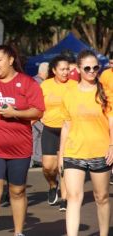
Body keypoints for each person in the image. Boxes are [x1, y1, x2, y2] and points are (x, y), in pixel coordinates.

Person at [0, 45, 44, 236]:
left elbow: (38, 110)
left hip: (19, 147)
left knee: (17, 191)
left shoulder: (27, 83)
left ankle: (18, 232)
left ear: (11, 60)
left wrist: (16, 113)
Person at [59, 50, 112, 236]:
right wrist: (61, 155)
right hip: (74, 151)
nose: (92, 71)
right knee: (73, 197)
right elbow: (66, 125)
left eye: (95, 67)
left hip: (101, 151)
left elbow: (112, 121)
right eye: (87, 68)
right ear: (79, 68)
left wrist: (112, 146)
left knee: (102, 197)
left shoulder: (105, 91)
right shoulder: (69, 93)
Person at [40, 56, 77, 211]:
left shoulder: (75, 85)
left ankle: (64, 199)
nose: (65, 72)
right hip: (49, 128)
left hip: (68, 130)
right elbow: (37, 105)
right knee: (48, 167)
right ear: (54, 70)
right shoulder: (45, 85)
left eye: (68, 69)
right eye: (62, 69)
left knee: (64, 166)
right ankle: (52, 185)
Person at [31, 62, 49, 168]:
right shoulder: (39, 83)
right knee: (37, 134)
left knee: (37, 134)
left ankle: (36, 158)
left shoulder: (33, 80)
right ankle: (34, 159)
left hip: (34, 113)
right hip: (37, 113)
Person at [99, 51, 113, 185]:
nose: (112, 64)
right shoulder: (105, 74)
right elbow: (100, 90)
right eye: (111, 62)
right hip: (107, 111)